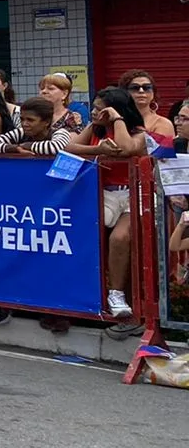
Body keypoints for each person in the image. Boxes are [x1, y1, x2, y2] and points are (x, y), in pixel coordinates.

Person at [67, 88, 152, 320]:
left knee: (120, 238)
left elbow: (126, 149)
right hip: (103, 193)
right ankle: (86, 290)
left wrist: (116, 119)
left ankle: (117, 295)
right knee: (86, 232)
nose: (94, 113)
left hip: (132, 194)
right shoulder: (94, 129)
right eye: (93, 108)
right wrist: (97, 149)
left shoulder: (139, 132)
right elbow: (69, 147)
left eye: (99, 109)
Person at [0, 97, 73, 157]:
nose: (24, 124)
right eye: (22, 119)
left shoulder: (60, 132)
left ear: (46, 122)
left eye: (30, 120)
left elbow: (54, 148)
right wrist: (15, 148)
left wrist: (27, 145)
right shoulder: (21, 132)